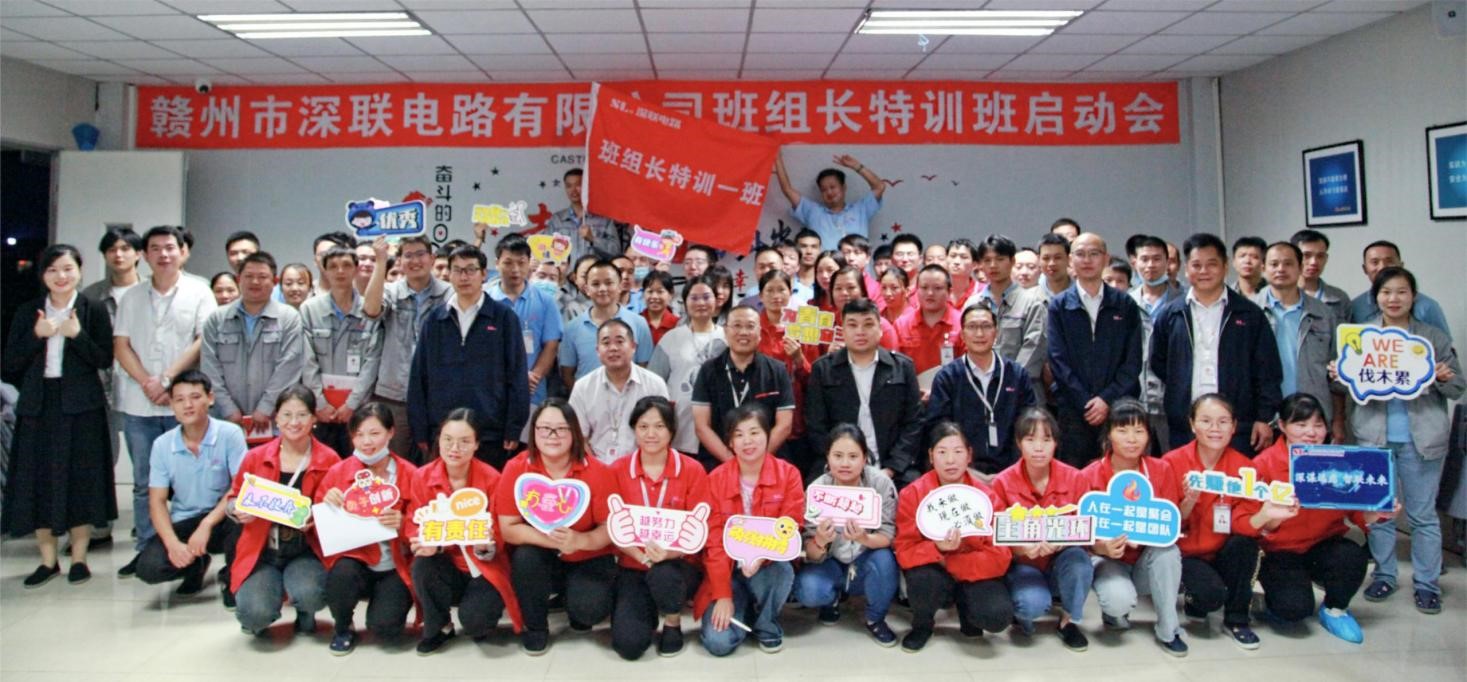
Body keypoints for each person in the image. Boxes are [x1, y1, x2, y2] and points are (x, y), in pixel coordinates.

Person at [1344, 266, 1464, 615]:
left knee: (1422, 516)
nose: (1393, 299)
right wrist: (1339, 372)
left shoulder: (1431, 338)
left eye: (1401, 292)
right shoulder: (1361, 336)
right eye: (1386, 292)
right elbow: (1345, 385)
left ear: (1413, 296)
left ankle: (1427, 584)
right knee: (1380, 512)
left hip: (1422, 439)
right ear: (1375, 297)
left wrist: (1443, 377)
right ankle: (1384, 575)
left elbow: (1458, 386)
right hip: (1374, 437)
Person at [3, 244, 117, 587]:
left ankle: (79, 558)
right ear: (43, 275)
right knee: (37, 480)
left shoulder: (93, 308)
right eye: (53, 270)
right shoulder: (28, 311)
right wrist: (37, 337)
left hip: (82, 406)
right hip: (38, 405)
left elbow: (104, 359)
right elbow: (10, 364)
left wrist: (76, 336)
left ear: (79, 271)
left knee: (80, 479)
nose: (61, 276)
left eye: (68, 268)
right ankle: (47, 560)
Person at [113, 225, 219, 577]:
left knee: (190, 482)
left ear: (182, 251)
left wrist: (168, 381)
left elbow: (203, 340)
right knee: (145, 482)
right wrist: (148, 382)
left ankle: (193, 550)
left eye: (170, 247)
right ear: (144, 255)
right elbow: (121, 345)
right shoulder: (131, 297)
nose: (164, 254)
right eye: (155, 248)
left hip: (185, 404)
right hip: (139, 403)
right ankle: (148, 547)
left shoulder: (199, 291)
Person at [1252, 394, 1387, 643]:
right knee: (1293, 610)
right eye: (1300, 425)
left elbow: (1357, 514)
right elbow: (1251, 524)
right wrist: (1273, 516)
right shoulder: (1264, 464)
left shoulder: (1338, 461)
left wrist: (1376, 513)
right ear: (1282, 426)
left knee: (1352, 555)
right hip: (1279, 551)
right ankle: (1271, 602)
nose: (1311, 433)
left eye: (1318, 425)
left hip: (1323, 544)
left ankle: (1335, 609)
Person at [496, 399, 617, 654]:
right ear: (533, 432)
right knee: (526, 557)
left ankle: (574, 605)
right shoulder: (516, 468)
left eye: (561, 429)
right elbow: (508, 528)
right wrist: (554, 541)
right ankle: (535, 627)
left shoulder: (598, 471)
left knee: (589, 611)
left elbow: (608, 527)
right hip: (541, 553)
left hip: (587, 555)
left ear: (575, 432)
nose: (552, 436)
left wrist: (580, 541)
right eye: (544, 429)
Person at [1161, 394, 1277, 649]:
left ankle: (1237, 619)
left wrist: (1267, 515)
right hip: (1187, 553)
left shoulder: (1246, 469)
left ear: (1234, 426)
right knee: (1209, 596)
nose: (1215, 428)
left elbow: (1242, 524)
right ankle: (1195, 599)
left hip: (1223, 549)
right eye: (1206, 421)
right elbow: (1167, 526)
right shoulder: (1171, 462)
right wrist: (1189, 502)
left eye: (1223, 421)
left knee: (1245, 544)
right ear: (1192, 424)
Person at [404, 409, 523, 655]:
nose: (454, 448)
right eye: (447, 439)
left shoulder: (492, 478)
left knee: (477, 624)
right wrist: (424, 542)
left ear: (477, 444)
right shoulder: (422, 476)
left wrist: (489, 544)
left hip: (483, 565)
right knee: (422, 565)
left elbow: (501, 529)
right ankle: (439, 626)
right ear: (439, 440)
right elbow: (414, 521)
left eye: (465, 441)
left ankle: (480, 612)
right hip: (445, 560)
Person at [1151, 233, 1281, 455]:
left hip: (1237, 424)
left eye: (1211, 264)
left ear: (1225, 267)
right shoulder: (1171, 314)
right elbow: (1159, 362)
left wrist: (1264, 417)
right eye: (1196, 265)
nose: (1204, 271)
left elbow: (1267, 370)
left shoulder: (1249, 314)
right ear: (1186, 269)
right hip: (1185, 423)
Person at [606, 397, 713, 659]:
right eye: (643, 427)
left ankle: (673, 621)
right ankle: (647, 611)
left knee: (664, 574)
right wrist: (641, 555)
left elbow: (701, 529)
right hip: (633, 563)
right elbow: (612, 527)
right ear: (633, 429)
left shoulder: (692, 470)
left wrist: (669, 553)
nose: (651, 434)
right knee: (628, 645)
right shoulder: (618, 470)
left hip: (678, 564)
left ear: (672, 431)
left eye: (659, 426)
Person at [894, 422, 1013, 652]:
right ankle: (922, 625)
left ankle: (968, 610)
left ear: (969, 455)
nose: (950, 460)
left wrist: (951, 561)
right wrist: (937, 548)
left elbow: (1001, 556)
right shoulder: (913, 494)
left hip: (973, 571)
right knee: (922, 580)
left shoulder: (987, 497)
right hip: (933, 570)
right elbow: (904, 551)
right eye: (942, 452)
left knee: (997, 616)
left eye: (958, 452)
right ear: (931, 456)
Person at [225, 386, 335, 636]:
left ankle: (305, 610)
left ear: (314, 418)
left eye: (302, 415)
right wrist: (237, 510)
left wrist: (317, 518)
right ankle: (263, 608)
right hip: (262, 551)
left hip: (306, 550)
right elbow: (233, 497)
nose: (294, 422)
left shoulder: (329, 459)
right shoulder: (256, 457)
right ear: (276, 418)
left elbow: (336, 512)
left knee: (312, 594)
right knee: (254, 615)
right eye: (286, 415)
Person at [407, 244, 529, 469]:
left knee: (486, 488)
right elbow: (418, 377)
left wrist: (514, 427)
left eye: (471, 270)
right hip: (442, 431)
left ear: (484, 274)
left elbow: (517, 375)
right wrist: (419, 427)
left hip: (490, 431)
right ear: (449, 274)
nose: (464, 277)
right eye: (457, 270)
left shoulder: (504, 318)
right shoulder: (435, 320)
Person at [1082, 398, 1188, 656]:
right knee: (1118, 601)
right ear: (1108, 434)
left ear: (1148, 435)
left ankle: (1168, 629)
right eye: (1122, 430)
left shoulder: (1161, 470)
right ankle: (1113, 613)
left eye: (1139, 431)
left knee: (1169, 552)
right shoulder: (1089, 475)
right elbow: (1080, 533)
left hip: (1145, 559)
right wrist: (1101, 547)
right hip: (1109, 560)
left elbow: (1170, 525)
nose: (1132, 439)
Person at [697, 404, 805, 656]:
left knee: (781, 570)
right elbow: (714, 542)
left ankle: (766, 623)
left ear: (767, 435)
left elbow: (790, 527)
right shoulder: (715, 479)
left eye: (755, 432)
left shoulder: (788, 474)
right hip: (728, 571)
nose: (748, 441)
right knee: (718, 643)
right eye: (739, 434)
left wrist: (760, 556)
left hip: (767, 566)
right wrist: (723, 595)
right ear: (730, 442)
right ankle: (743, 608)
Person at [316, 403, 417, 655]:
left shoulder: (410, 474)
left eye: (374, 433)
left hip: (395, 564)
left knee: (385, 629)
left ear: (391, 432)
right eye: (359, 434)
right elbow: (318, 525)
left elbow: (424, 523)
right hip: (356, 559)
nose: (366, 442)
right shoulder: (338, 472)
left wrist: (403, 523)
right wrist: (327, 502)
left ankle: (384, 607)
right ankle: (343, 627)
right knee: (341, 573)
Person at [135, 370, 246, 598]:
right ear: (171, 405)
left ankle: (233, 580)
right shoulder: (162, 445)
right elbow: (157, 501)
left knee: (243, 520)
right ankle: (195, 565)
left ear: (210, 398)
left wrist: (207, 524)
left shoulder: (230, 434)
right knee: (149, 568)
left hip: (222, 518)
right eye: (179, 399)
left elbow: (240, 487)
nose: (188, 405)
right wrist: (172, 543)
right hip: (185, 520)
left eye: (195, 397)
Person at [990, 408, 1092, 650]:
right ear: (1018, 443)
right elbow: (995, 536)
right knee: (1030, 604)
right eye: (1030, 439)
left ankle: (1069, 620)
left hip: (1061, 560)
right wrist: (1021, 549)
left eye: (1046, 440)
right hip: (1023, 563)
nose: (1038, 448)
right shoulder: (1002, 482)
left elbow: (1085, 528)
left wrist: (1060, 543)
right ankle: (1023, 616)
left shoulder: (1076, 478)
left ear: (1055, 443)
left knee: (1079, 561)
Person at [794, 424, 900, 646]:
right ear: (827, 457)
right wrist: (820, 541)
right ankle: (831, 600)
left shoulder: (880, 484)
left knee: (885, 561)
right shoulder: (817, 490)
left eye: (853, 456)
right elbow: (810, 553)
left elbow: (888, 535)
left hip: (866, 557)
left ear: (865, 458)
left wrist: (864, 538)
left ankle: (875, 618)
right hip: (829, 561)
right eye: (838, 456)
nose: (845, 463)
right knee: (808, 589)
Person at [1046, 233, 1143, 466]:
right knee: (1075, 475)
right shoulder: (1059, 305)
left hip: (1117, 409)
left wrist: (1105, 400)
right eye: (1080, 254)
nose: (1087, 260)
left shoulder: (1124, 304)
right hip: (1074, 409)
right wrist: (1085, 402)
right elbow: (1057, 360)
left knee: (1118, 472)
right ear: (1071, 260)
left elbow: (1133, 361)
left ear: (1106, 258)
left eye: (1094, 254)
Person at [806, 299, 923, 483]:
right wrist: (840, 465)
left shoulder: (902, 367)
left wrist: (892, 468)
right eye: (852, 325)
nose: (860, 331)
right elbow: (816, 426)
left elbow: (913, 423)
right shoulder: (823, 370)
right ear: (842, 331)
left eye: (868, 324)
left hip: (892, 466)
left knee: (914, 487)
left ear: (880, 329)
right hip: (838, 467)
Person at [80, 227, 143, 546]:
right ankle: (99, 524)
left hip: (141, 386)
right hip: (100, 385)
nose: (119, 255)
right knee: (100, 457)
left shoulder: (148, 291)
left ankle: (145, 525)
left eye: (125, 248)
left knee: (143, 460)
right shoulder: (90, 296)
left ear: (138, 254)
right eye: (112, 249)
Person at [201, 252, 306, 443]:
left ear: (275, 281)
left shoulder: (289, 318)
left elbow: (289, 368)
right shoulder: (217, 319)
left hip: (275, 420)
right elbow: (209, 368)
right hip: (226, 420)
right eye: (249, 276)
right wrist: (228, 409)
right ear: (238, 279)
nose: (255, 282)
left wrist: (266, 407)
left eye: (262, 276)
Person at [363, 235, 451, 462]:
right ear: (400, 261)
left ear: (432, 258)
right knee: (391, 462)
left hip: (436, 396)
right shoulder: (391, 291)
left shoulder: (449, 294)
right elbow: (371, 310)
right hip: (394, 395)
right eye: (408, 255)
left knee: (435, 462)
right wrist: (380, 261)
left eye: (420, 254)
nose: (415, 260)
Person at [925, 305, 1036, 476]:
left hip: (1013, 470)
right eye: (972, 327)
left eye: (986, 326)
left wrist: (1014, 469)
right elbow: (939, 429)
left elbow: (1028, 425)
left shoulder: (1016, 374)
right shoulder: (947, 378)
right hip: (963, 472)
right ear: (962, 335)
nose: (979, 333)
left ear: (996, 332)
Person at [1253, 241, 1345, 443]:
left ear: (1300, 267)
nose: (1281, 269)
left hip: (1313, 421)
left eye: (1288, 263)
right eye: (1274, 264)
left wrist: (1338, 421)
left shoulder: (1323, 313)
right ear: (1263, 268)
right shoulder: (1249, 312)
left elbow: (1336, 374)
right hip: (1264, 420)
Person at [299, 246, 382, 458]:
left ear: (356, 269)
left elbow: (372, 361)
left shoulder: (370, 309)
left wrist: (352, 404)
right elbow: (307, 361)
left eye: (346, 265)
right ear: (324, 270)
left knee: (358, 465)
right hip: (320, 409)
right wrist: (319, 403)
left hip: (358, 409)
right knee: (320, 463)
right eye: (333, 266)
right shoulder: (310, 309)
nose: (340, 271)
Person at [689, 305, 795, 471]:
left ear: (759, 333)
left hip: (768, 460)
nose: (743, 332)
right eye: (737, 326)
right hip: (720, 462)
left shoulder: (777, 370)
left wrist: (756, 460)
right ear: (725, 331)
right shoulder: (708, 370)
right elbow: (702, 426)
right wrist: (732, 463)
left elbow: (784, 425)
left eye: (750, 326)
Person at [570, 319, 670, 464]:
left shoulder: (654, 385)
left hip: (641, 467)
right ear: (597, 350)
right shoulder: (583, 387)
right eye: (606, 343)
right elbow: (578, 437)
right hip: (596, 466)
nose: (613, 348)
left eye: (619, 341)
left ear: (633, 347)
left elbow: (663, 433)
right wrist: (596, 468)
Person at [648, 277, 726, 458]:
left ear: (716, 301)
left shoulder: (728, 337)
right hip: (680, 425)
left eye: (706, 297)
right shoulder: (671, 338)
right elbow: (654, 383)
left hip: (720, 425)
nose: (701, 303)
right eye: (694, 298)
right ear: (684, 303)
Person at [488, 234, 563, 412]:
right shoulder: (485, 298)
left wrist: (532, 377)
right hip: (491, 391)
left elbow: (551, 345)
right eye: (508, 263)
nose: (515, 269)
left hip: (531, 392)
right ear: (497, 263)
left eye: (521, 263)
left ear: (529, 263)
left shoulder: (545, 301)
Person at [755, 270, 820, 471]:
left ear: (790, 292)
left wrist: (799, 359)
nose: (776, 296)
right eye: (770, 291)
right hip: (761, 413)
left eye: (781, 290)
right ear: (760, 295)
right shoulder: (752, 327)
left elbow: (815, 379)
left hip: (798, 415)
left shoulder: (804, 327)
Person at [968, 234, 1047, 393]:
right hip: (981, 388)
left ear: (1012, 261)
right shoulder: (973, 303)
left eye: (1000, 259)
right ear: (980, 264)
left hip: (1023, 389)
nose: (993, 265)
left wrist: (1008, 382)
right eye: (987, 260)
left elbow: (1034, 347)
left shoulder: (1032, 302)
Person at [1128, 235, 1183, 450]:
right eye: (1144, 259)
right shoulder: (1125, 303)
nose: (1150, 265)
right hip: (1136, 398)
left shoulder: (1184, 302)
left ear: (1168, 262)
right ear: (1135, 262)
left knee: (1175, 459)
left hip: (1174, 399)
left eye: (1157, 259)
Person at [560, 260, 654, 384]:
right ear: (587, 289)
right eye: (595, 284)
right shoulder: (572, 328)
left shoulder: (639, 323)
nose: (602, 289)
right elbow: (567, 373)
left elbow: (644, 367)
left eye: (609, 283)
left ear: (620, 286)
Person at [774, 152, 886, 247]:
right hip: (825, 266)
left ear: (844, 187)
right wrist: (777, 158)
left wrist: (857, 166)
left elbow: (879, 186)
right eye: (824, 190)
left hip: (857, 267)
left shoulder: (860, 210)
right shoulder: (813, 212)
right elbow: (787, 190)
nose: (829, 192)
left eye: (832, 187)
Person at [1348, 241, 1452, 339]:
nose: (1382, 267)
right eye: (1375, 262)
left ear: (1401, 266)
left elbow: (1443, 345)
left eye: (1389, 261)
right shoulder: (1354, 307)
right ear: (1365, 269)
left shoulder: (1427, 306)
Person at [894, 264, 964, 376]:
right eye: (924, 287)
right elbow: (896, 368)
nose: (930, 293)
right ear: (916, 290)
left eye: (937, 288)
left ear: (949, 292)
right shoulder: (902, 324)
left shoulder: (962, 323)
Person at [546, 168, 626, 261]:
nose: (573, 190)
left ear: (587, 186)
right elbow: (547, 252)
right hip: (566, 270)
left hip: (594, 270)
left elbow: (616, 252)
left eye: (578, 185)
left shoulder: (604, 219)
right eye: (569, 186)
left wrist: (593, 239)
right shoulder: (557, 220)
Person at [822, 266, 898, 352]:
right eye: (838, 288)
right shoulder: (827, 323)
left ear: (862, 291)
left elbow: (893, 359)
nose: (844, 293)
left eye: (851, 287)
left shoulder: (881, 326)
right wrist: (830, 356)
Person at [1289, 229, 1352, 324]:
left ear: (1326, 259)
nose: (1314, 262)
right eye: (1306, 255)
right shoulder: (1277, 294)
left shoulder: (1339, 298)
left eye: (1320, 256)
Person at [639, 270, 680, 346]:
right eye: (650, 291)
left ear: (671, 294)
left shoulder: (678, 324)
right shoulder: (636, 322)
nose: (654, 296)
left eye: (660, 292)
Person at [838, 234, 881, 300]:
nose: (851, 258)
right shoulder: (831, 284)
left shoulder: (876, 288)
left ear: (867, 258)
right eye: (846, 253)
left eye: (857, 253)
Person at [945, 238, 981, 309]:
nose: (956, 262)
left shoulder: (983, 291)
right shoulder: (938, 291)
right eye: (953, 256)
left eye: (963, 257)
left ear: (974, 265)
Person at [791, 229, 823, 306]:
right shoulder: (786, 281)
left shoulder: (825, 283)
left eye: (814, 247)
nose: (809, 251)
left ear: (820, 250)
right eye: (803, 246)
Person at [1036, 233, 1072, 300]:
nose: (1051, 263)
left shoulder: (1081, 291)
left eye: (1057, 257)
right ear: (1038, 260)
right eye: (1046, 258)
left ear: (1068, 259)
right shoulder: (1032, 295)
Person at [888, 235, 923, 302]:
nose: (905, 259)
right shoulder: (882, 288)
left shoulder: (929, 288)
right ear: (891, 259)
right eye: (900, 254)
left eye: (910, 254)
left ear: (920, 259)